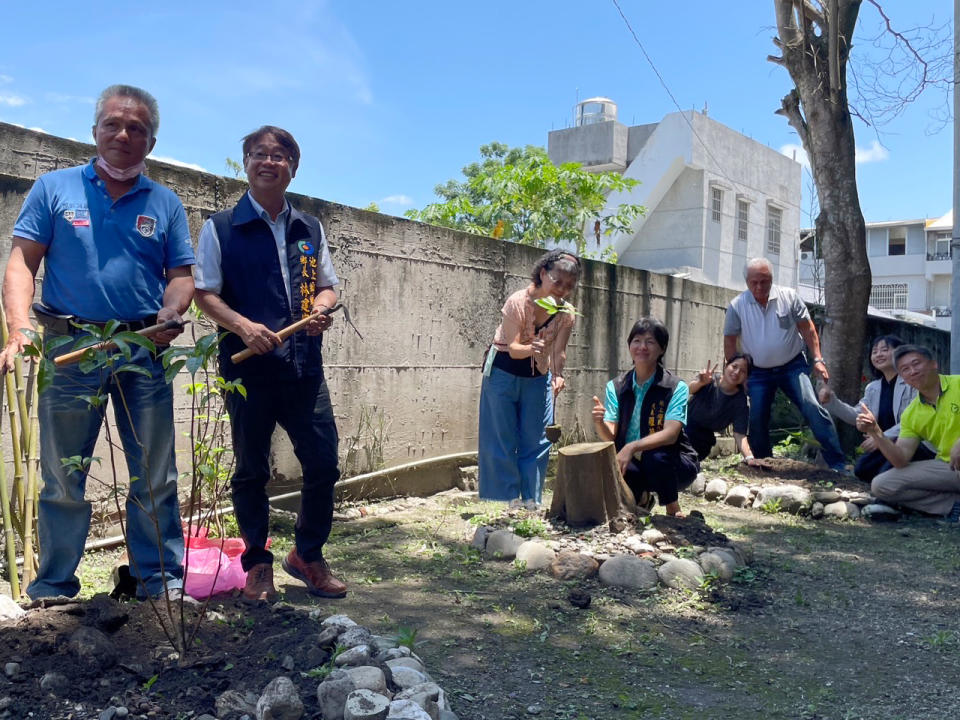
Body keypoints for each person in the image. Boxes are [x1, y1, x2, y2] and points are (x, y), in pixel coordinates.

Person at [0, 85, 194, 600]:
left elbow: (180, 274)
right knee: (63, 474)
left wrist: (175, 307)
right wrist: (20, 326)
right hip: (69, 349)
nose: (123, 135)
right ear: (95, 131)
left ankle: (159, 581)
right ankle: (55, 585)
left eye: (137, 129)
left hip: (142, 348)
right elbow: (22, 262)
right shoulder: (54, 189)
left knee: (155, 472)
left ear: (151, 142)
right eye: (113, 124)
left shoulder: (165, 203)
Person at [194, 126, 346, 602]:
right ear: (246, 163)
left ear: (292, 167)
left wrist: (320, 308)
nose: (268, 162)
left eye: (279, 156)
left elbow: (328, 285)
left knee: (322, 464)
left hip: (304, 367)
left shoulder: (310, 228)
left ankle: (307, 555)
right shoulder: (221, 227)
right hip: (248, 371)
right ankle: (258, 563)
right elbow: (204, 293)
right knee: (251, 471)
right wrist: (243, 326)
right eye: (259, 154)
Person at [477, 249, 580, 510]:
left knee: (536, 439)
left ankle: (531, 499)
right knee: (502, 436)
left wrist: (557, 375)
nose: (562, 290)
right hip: (503, 369)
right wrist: (532, 347)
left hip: (537, 375)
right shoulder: (517, 302)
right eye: (557, 282)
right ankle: (509, 498)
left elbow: (559, 351)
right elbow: (512, 348)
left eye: (569, 286)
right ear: (543, 274)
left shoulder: (566, 312)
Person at [723, 257, 846, 471]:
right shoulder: (737, 306)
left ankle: (838, 464)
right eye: (754, 282)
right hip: (758, 371)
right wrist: (737, 375)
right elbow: (730, 342)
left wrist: (817, 359)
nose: (760, 286)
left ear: (772, 279)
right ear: (746, 282)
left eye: (764, 281)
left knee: (812, 405)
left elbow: (807, 329)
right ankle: (763, 464)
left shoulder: (788, 297)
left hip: (792, 364)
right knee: (757, 416)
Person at [591, 317, 699, 516]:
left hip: (674, 464)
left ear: (662, 348)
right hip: (633, 462)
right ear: (629, 345)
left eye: (650, 342)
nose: (642, 347)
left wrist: (632, 446)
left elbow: (671, 435)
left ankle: (672, 507)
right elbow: (610, 436)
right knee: (615, 466)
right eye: (637, 341)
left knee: (654, 455)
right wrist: (599, 422)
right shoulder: (616, 386)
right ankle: (642, 498)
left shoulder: (675, 386)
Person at [856, 344, 960, 521]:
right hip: (948, 468)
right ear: (903, 378)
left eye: (916, 363)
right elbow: (900, 459)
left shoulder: (957, 383)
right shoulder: (912, 413)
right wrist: (876, 432)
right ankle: (952, 505)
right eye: (905, 369)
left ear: (934, 364)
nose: (912, 371)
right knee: (882, 485)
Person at [819, 335, 935, 483]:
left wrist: (881, 436)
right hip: (887, 444)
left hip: (914, 443)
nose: (878, 354)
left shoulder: (912, 381)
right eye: (874, 351)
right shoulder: (873, 388)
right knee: (862, 469)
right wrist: (832, 401)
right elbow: (858, 416)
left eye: (884, 350)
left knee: (884, 475)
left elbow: (916, 420)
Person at [686, 354, 758, 465]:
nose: (737, 372)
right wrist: (701, 383)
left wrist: (749, 457)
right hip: (683, 426)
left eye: (743, 371)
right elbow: (689, 390)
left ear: (746, 377)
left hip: (703, 440)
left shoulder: (740, 401)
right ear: (726, 365)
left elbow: (739, 434)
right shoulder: (709, 379)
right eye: (734, 366)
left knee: (686, 462)